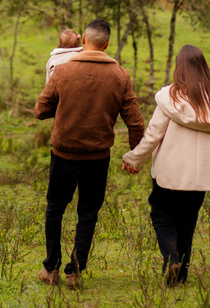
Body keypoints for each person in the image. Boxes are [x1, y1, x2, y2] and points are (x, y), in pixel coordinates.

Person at [34, 19, 144, 289]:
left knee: (55, 209)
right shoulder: (120, 75)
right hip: (97, 158)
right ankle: (75, 271)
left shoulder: (62, 71)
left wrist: (63, 103)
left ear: (84, 39)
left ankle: (51, 268)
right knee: (88, 213)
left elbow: (40, 111)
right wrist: (135, 156)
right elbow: (135, 122)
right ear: (107, 45)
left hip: (64, 155)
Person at [121, 44, 210, 286]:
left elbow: (153, 134)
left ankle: (171, 258)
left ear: (179, 68)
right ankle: (181, 276)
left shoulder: (170, 98)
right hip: (202, 174)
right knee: (187, 221)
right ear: (204, 68)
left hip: (169, 173)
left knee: (161, 213)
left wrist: (133, 158)